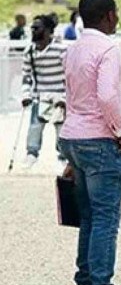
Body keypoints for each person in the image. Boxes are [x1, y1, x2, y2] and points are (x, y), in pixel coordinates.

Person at [59, 0, 121, 285]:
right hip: (99, 139)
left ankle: (84, 283)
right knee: (106, 216)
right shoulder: (108, 47)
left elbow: (69, 94)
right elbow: (107, 96)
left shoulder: (73, 48)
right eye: (117, 13)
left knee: (89, 215)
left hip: (73, 138)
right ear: (108, 15)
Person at [21, 14, 67, 171]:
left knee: (61, 129)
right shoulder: (30, 52)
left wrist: (66, 97)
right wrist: (26, 95)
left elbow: (71, 76)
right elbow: (27, 76)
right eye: (32, 28)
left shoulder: (61, 50)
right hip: (40, 95)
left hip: (59, 96)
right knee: (35, 126)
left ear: (48, 30)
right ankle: (31, 154)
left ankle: (63, 157)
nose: (33, 31)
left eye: (36, 28)